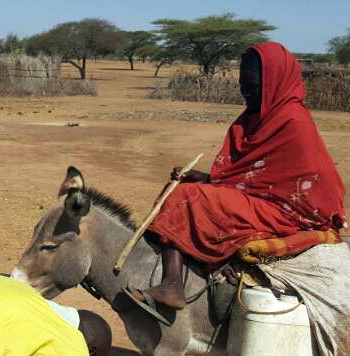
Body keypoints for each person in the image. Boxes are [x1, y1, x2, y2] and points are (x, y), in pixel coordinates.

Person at [126, 42, 346, 323]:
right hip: (264, 201)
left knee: (186, 198)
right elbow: (256, 175)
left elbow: (292, 186)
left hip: (291, 213)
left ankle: (173, 285)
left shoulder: (293, 122)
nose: (246, 93)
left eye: (252, 88)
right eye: (243, 86)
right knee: (184, 189)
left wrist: (209, 185)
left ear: (273, 84)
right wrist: (209, 178)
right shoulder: (257, 117)